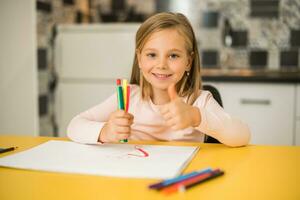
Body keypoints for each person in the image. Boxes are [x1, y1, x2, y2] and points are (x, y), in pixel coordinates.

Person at [67, 12, 251, 147]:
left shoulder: (199, 101)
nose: (161, 65)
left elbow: (242, 135)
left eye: (173, 56)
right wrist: (104, 132)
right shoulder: (128, 97)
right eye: (152, 55)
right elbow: (74, 126)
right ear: (139, 58)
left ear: (189, 61)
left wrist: (195, 116)